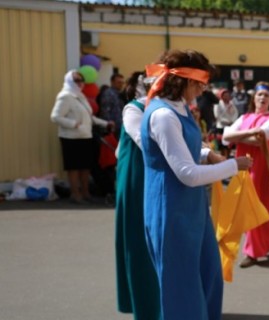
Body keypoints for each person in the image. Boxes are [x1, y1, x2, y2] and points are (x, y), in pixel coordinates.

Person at [141, 49, 252, 320]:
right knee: (182, 287)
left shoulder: (179, 108)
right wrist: (231, 166)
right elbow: (187, 174)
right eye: (201, 83)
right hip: (171, 208)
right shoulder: (163, 115)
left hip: (191, 206)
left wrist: (207, 154)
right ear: (186, 81)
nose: (204, 89)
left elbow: (183, 149)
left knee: (207, 274)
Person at [222, 81, 269, 268]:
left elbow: (260, 140)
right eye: (259, 95)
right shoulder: (245, 117)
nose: (262, 98)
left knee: (261, 209)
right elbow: (226, 137)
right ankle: (253, 250)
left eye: (266, 95)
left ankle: (254, 250)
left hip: (264, 172)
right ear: (254, 98)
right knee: (246, 209)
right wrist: (251, 131)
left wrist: (239, 136)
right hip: (244, 169)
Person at [114, 72, 160, 319]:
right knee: (138, 241)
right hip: (135, 180)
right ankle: (146, 307)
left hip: (147, 176)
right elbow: (144, 143)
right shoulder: (134, 109)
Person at [50, 70, 113, 204]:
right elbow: (55, 117)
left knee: (85, 166)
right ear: (69, 81)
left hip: (85, 136)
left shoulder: (80, 96)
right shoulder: (65, 96)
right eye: (76, 80)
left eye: (81, 80)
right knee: (74, 167)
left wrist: (106, 123)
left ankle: (85, 193)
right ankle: (75, 194)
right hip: (70, 138)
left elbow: (89, 117)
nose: (80, 83)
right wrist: (73, 124)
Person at [213, 88, 238, 157]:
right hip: (221, 126)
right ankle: (223, 157)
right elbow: (217, 116)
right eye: (225, 95)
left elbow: (235, 113)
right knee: (222, 144)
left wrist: (232, 121)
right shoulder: (217, 104)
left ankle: (228, 156)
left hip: (230, 126)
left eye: (228, 94)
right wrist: (226, 121)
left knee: (229, 143)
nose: (227, 96)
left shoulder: (231, 104)